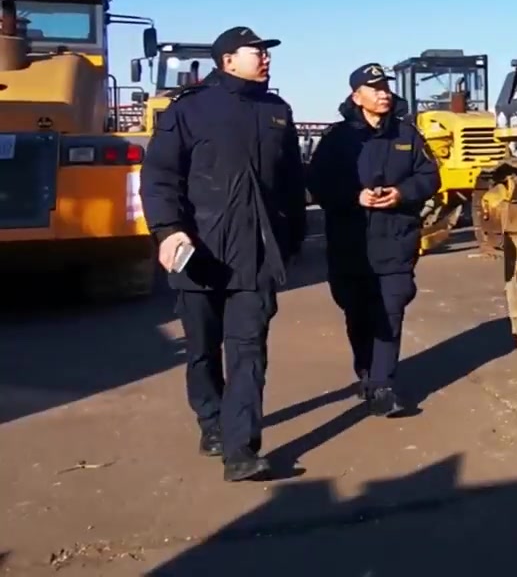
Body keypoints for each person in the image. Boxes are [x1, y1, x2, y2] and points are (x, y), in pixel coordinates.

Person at [139, 25, 307, 482]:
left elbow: (291, 183)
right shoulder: (190, 110)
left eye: (267, 52)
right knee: (202, 347)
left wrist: (293, 239)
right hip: (200, 251)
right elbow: (159, 176)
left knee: (249, 350)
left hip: (256, 255)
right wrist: (168, 231)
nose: (266, 58)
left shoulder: (277, 112)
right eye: (258, 51)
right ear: (228, 60)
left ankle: (241, 449)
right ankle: (210, 421)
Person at [305, 62, 440, 416]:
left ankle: (383, 385)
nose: (383, 93)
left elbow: (430, 178)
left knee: (391, 309)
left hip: (395, 239)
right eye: (374, 87)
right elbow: (316, 184)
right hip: (351, 243)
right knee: (357, 312)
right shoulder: (338, 138)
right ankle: (366, 372)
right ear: (357, 96)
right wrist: (354, 197)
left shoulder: (407, 135)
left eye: (386, 87)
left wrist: (401, 193)